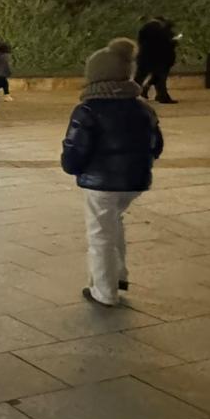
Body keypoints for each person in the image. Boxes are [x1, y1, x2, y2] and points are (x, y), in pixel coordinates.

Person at [61, 37, 163, 307]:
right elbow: (156, 145)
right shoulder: (143, 108)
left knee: (100, 234)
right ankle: (118, 275)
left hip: (101, 182)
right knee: (114, 222)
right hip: (135, 180)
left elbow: (75, 148)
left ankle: (104, 291)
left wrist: (71, 167)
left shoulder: (88, 110)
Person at [136, 16, 178, 104]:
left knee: (140, 77)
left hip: (145, 57)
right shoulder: (161, 29)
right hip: (159, 58)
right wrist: (173, 41)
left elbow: (140, 41)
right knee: (160, 79)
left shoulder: (145, 28)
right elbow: (165, 43)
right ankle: (162, 96)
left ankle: (133, 94)